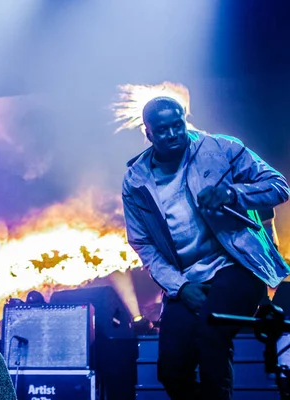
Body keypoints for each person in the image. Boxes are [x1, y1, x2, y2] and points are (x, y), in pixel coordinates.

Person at [122, 96, 290, 400]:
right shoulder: (135, 180)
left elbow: (278, 186)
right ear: (148, 133)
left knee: (210, 334)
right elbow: (142, 242)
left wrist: (232, 194)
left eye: (177, 125)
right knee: (170, 370)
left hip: (238, 267)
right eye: (162, 130)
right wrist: (180, 286)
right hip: (185, 280)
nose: (172, 134)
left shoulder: (220, 148)